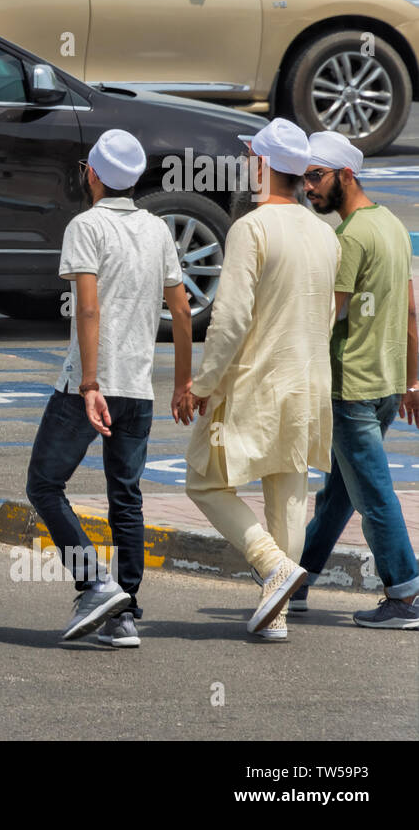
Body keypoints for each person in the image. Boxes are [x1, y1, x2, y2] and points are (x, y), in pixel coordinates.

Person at [24, 130, 194, 647]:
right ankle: (125, 614)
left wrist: (91, 383)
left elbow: (89, 307)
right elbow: (183, 309)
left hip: (88, 385)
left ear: (92, 174)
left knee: (45, 486)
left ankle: (94, 584)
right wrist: (183, 380)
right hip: (138, 388)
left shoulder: (86, 226)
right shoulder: (157, 230)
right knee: (127, 497)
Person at [180, 118, 340, 641]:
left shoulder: (250, 227)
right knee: (289, 492)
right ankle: (279, 615)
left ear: (262, 164)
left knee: (204, 480)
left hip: (256, 381)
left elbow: (229, 320)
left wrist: (202, 384)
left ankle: (270, 564)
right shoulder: (324, 232)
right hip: (310, 382)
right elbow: (328, 314)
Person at [293, 131, 419, 628]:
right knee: (341, 493)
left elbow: (328, 316)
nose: (309, 188)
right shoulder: (389, 224)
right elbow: (411, 312)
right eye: (305, 177)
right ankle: (297, 582)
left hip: (352, 390)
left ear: (347, 174)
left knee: (372, 495)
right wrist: (412, 383)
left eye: (317, 176)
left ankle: (405, 593)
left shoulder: (348, 238)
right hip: (385, 386)